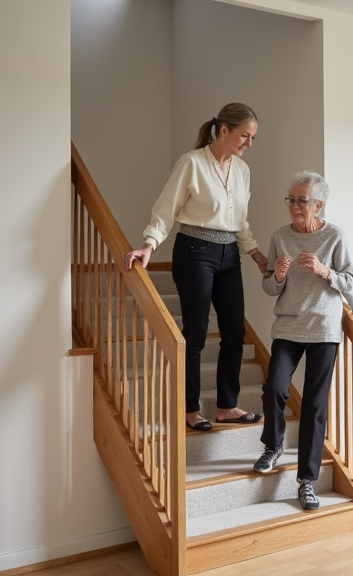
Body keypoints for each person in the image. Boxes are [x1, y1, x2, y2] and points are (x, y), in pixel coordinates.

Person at [125, 102, 268, 432]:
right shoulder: (191, 163)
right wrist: (149, 244)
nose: (249, 143)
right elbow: (166, 209)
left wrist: (254, 252)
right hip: (195, 251)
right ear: (224, 131)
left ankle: (227, 406)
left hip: (229, 253)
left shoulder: (242, 171)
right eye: (244, 136)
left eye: (253, 138)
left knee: (234, 332)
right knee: (196, 333)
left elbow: (239, 220)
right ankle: (189, 407)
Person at [251, 171, 353, 511]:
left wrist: (326, 274)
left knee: (315, 404)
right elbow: (269, 287)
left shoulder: (335, 236)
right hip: (288, 328)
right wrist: (277, 275)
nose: (294, 206)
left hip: (323, 329)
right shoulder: (280, 236)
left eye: (301, 200)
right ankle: (273, 446)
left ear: (318, 204)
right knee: (275, 387)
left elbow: (349, 279)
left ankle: (307, 481)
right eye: (291, 200)